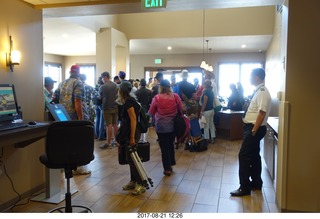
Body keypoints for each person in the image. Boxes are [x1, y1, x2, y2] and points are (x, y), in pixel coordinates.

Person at [230, 68, 271, 197]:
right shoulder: (258, 91)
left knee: (243, 156)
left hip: (254, 128)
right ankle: (256, 183)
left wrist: (253, 130)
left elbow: (262, 112)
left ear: (257, 77)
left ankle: (244, 187)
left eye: (251, 76)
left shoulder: (263, 92)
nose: (249, 78)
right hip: (253, 127)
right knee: (254, 155)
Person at [53, 65, 91, 175]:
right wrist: (81, 119)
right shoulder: (78, 83)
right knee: (78, 142)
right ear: (78, 73)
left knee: (64, 141)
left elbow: (55, 99)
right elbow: (77, 101)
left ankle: (62, 165)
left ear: (70, 72)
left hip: (62, 116)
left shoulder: (62, 83)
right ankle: (79, 167)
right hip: (74, 118)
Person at [148, 79, 183, 176]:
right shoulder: (175, 97)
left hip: (161, 126)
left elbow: (151, 112)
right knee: (171, 144)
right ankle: (171, 162)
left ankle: (167, 168)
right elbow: (181, 109)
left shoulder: (157, 98)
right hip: (173, 126)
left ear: (161, 87)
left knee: (164, 147)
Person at [117, 81, 145, 195]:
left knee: (132, 159)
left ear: (121, 91)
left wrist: (132, 137)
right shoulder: (131, 100)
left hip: (132, 133)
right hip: (130, 132)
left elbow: (133, 119)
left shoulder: (129, 102)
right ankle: (133, 181)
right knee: (131, 158)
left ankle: (140, 184)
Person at [99, 71, 119, 149]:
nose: (102, 80)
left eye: (102, 78)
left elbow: (99, 97)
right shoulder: (116, 85)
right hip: (115, 107)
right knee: (115, 124)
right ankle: (117, 141)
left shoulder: (102, 87)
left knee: (109, 125)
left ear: (105, 77)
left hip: (106, 108)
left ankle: (108, 142)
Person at [135, 78, 152, 143]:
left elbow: (136, 101)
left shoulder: (137, 91)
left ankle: (139, 138)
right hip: (146, 108)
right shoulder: (149, 91)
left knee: (139, 122)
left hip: (139, 109)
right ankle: (144, 138)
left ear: (140, 84)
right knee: (146, 122)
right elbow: (150, 101)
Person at [94, 76, 106, 140]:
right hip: (101, 104)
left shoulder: (96, 86)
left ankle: (96, 134)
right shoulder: (103, 87)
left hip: (96, 104)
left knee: (97, 119)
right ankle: (101, 135)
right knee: (102, 120)